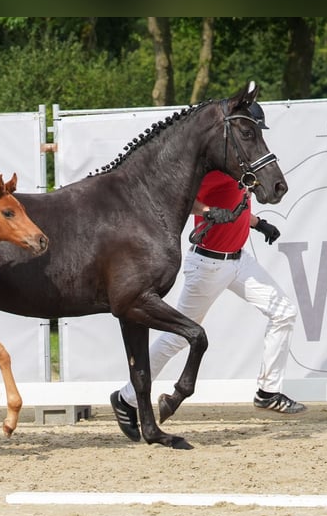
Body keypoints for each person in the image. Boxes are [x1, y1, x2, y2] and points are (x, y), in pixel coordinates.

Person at [110, 108, 305, 442]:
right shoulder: (215, 172)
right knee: (175, 338)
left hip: (239, 261)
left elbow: (237, 203)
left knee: (283, 313)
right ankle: (126, 398)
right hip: (209, 265)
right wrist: (207, 212)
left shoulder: (242, 168)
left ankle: (267, 393)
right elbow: (184, 201)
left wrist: (259, 225)